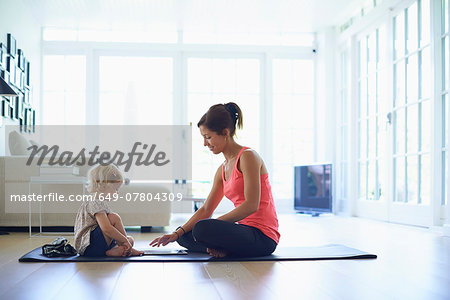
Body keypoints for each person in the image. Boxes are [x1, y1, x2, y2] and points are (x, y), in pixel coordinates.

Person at [150, 102, 280, 258]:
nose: (205, 144)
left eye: (208, 137)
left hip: (262, 237)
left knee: (202, 229)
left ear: (225, 133)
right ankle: (219, 249)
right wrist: (176, 233)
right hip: (242, 232)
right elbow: (206, 209)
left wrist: (216, 224)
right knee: (185, 235)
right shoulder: (222, 169)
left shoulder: (248, 157)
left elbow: (251, 205)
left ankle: (220, 247)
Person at [74, 164, 143, 257]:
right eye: (116, 189)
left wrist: (125, 240)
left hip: (95, 244)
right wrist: (124, 241)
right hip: (88, 246)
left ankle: (113, 251)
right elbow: (106, 228)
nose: (117, 193)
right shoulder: (96, 202)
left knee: (130, 239)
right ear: (104, 185)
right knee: (114, 218)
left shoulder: (98, 201)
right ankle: (122, 248)